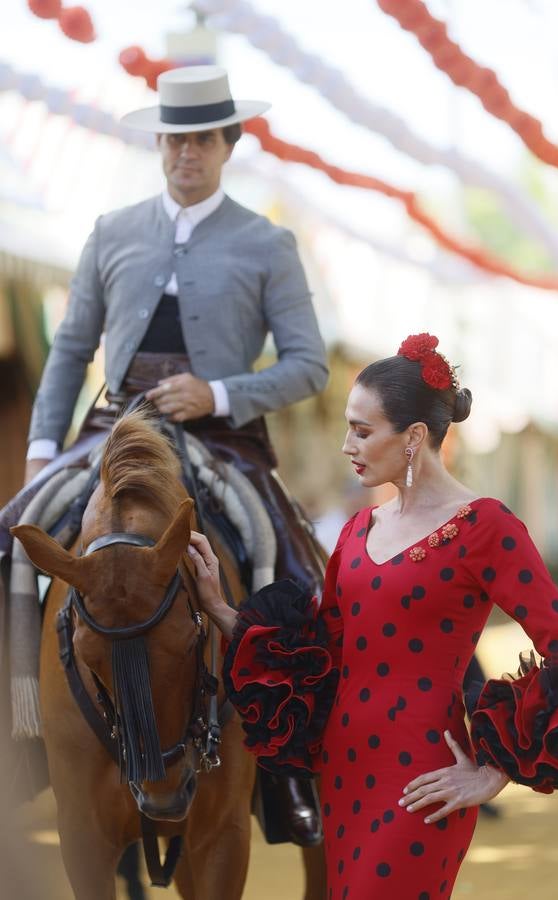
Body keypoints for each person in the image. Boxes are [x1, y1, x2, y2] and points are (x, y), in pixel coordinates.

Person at [21, 65, 328, 845]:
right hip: (113, 430)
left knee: (283, 559)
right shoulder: (111, 230)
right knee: (11, 534)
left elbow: (309, 364)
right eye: (175, 138)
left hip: (222, 435)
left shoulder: (269, 242)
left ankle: (287, 768)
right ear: (160, 143)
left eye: (202, 139)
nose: (186, 152)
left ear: (229, 143)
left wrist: (219, 394)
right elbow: (68, 350)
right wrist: (40, 450)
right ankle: (23, 730)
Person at [187, 333, 558, 899]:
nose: (346, 445)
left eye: (361, 430)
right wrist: (217, 607)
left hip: (424, 783)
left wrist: (491, 772)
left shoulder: (487, 527)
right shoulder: (358, 531)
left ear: (413, 438)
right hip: (343, 773)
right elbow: (318, 658)